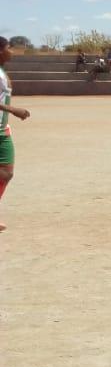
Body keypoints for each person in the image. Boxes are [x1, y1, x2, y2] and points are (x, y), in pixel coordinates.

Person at [0, 37, 31, 233]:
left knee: (6, 173)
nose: (11, 51)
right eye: (8, 47)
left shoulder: (2, 71)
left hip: (2, 129)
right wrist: (13, 109)